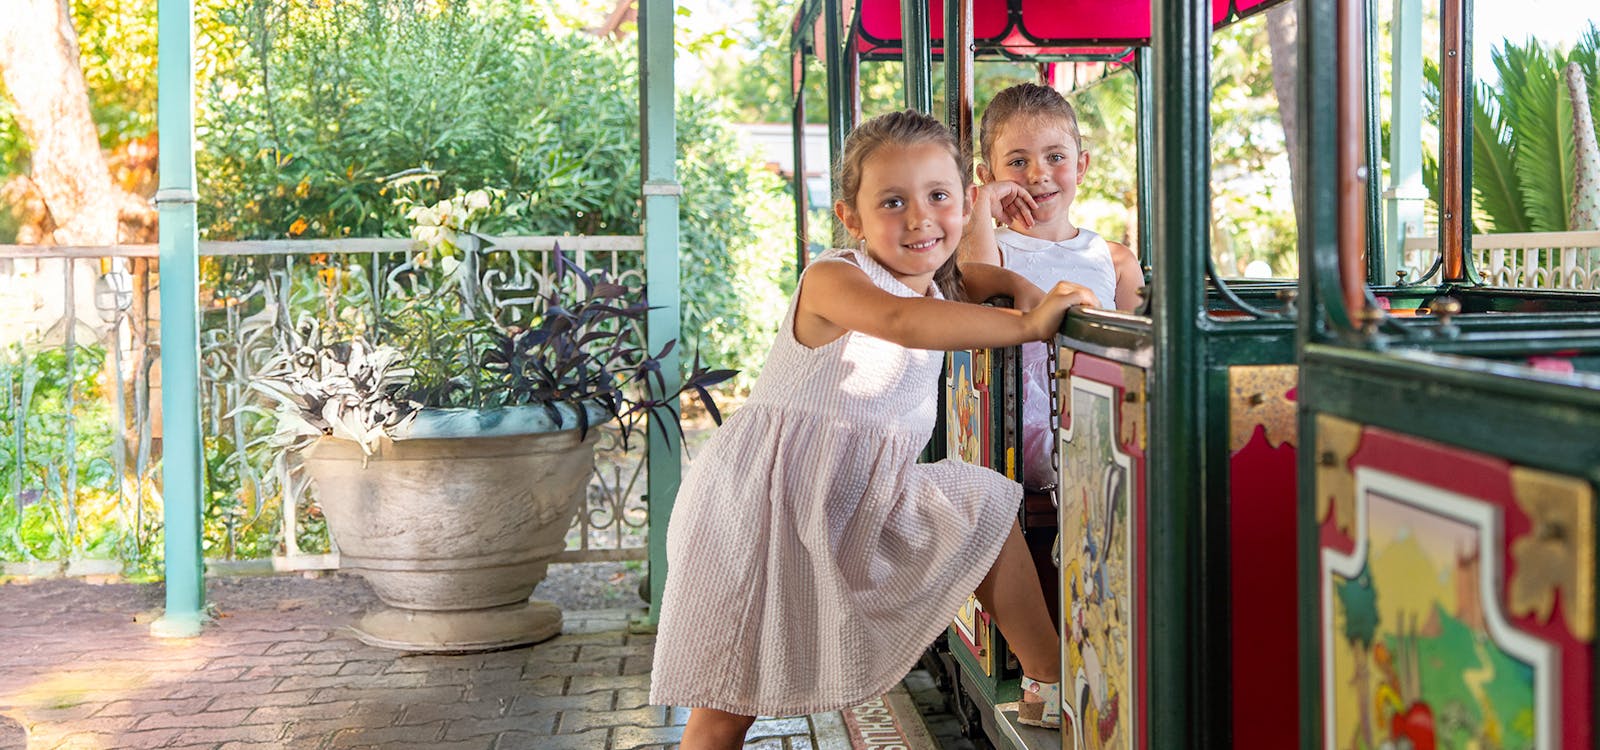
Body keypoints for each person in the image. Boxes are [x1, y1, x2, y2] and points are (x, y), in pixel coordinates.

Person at [650, 109, 1097, 749]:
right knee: (727, 699)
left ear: (965, 201)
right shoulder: (833, 279)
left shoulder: (934, 280)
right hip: (764, 510)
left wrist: (1019, 284)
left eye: (938, 196)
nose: (919, 218)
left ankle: (1050, 680)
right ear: (851, 218)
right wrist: (1029, 325)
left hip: (857, 497)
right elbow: (903, 321)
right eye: (893, 202)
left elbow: (964, 277)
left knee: (982, 504)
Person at [962, 82, 1143, 489]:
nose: (1039, 174)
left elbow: (1138, 364)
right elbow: (975, 287)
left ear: (1080, 166)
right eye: (1018, 162)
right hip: (1015, 443)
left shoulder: (1115, 260)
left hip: (1100, 430)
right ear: (989, 177)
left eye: (1055, 157)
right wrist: (980, 208)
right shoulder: (990, 250)